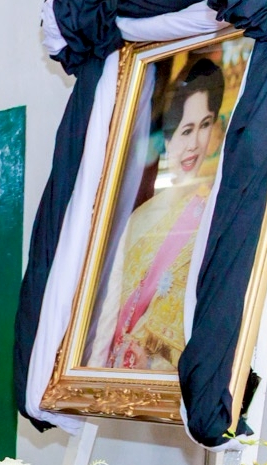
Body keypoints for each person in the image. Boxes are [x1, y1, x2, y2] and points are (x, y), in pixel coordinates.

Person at [97, 57, 226, 372]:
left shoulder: (214, 217)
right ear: (168, 140)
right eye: (185, 131)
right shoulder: (139, 219)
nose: (194, 143)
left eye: (204, 125)